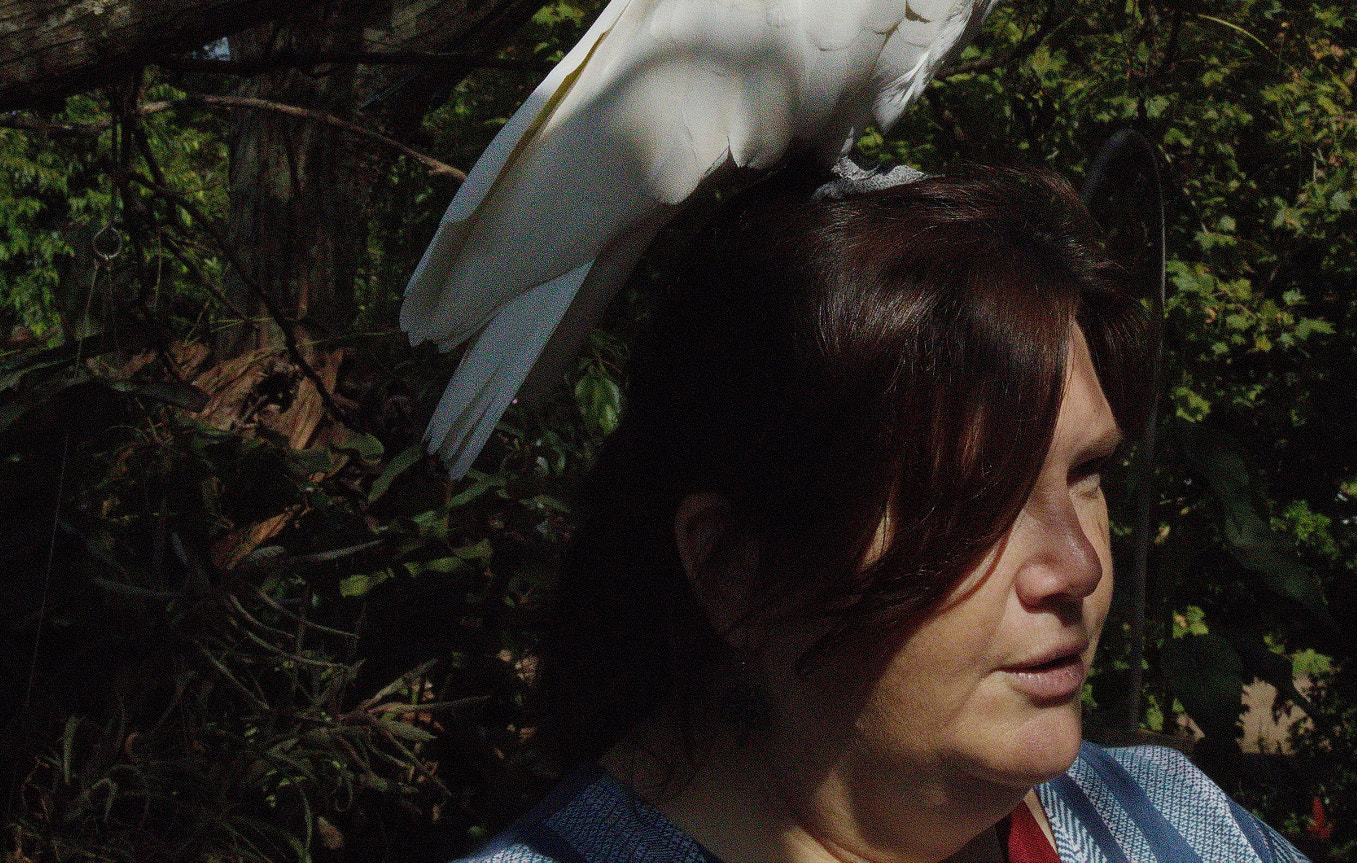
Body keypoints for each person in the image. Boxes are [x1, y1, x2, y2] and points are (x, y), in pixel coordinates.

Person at [458, 163, 1309, 863]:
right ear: (735, 571)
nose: (1078, 564)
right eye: (975, 500)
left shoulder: (1179, 827)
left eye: (1086, 472)